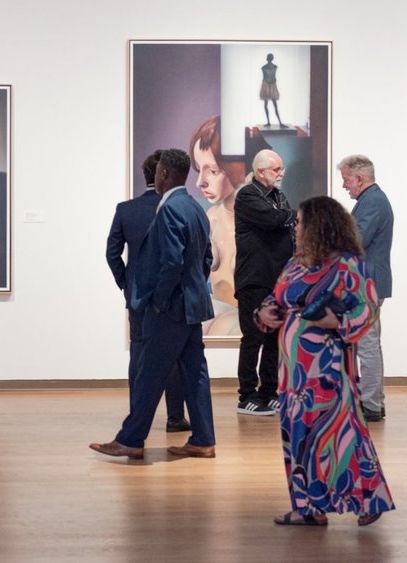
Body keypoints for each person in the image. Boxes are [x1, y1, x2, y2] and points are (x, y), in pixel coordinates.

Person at [256, 195, 394, 527]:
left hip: (328, 372)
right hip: (293, 374)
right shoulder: (296, 263)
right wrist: (264, 312)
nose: (296, 228)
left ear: (318, 226)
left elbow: (367, 309)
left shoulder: (347, 265)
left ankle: (367, 499)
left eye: (300, 222)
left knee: (343, 437)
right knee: (298, 438)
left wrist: (338, 321)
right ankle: (307, 509)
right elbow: (277, 297)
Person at [90, 149, 217, 460]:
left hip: (170, 308)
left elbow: (171, 262)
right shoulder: (195, 207)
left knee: (149, 372)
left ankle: (130, 439)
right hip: (191, 306)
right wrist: (192, 290)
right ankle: (203, 440)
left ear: (164, 174)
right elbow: (206, 258)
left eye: (158, 171)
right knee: (195, 373)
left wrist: (159, 300)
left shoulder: (170, 208)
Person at [106, 150, 190, 433]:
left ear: (147, 175)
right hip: (173, 294)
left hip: (138, 296)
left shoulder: (126, 209)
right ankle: (175, 417)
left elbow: (112, 253)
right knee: (173, 357)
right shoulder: (179, 207)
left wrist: (126, 282)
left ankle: (137, 414)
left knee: (139, 354)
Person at [233, 149, 295, 416]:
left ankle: (269, 392)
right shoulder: (247, 195)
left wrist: (286, 216)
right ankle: (247, 395)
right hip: (254, 280)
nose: (281, 174)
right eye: (276, 169)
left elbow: (283, 220)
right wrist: (290, 215)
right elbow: (272, 219)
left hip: (277, 280)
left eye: (281, 169)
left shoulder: (278, 196)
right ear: (260, 171)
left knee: (274, 339)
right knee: (253, 338)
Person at [339, 155, 394, 422]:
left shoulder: (372, 202)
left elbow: (355, 241)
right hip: (369, 282)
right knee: (370, 344)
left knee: (367, 345)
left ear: (359, 179)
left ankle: (371, 404)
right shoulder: (372, 200)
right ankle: (374, 401)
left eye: (346, 180)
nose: (344, 186)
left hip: (365, 284)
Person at [189, 116, 244, 336]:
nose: (200, 182)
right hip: (218, 325)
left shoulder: (265, 223)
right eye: (199, 169)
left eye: (212, 171)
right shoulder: (209, 220)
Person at [260, 53, 285, 128]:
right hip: (266, 85)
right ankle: (271, 122)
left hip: (271, 85)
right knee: (268, 105)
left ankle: (279, 122)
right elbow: (265, 77)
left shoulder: (273, 67)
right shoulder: (264, 67)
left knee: (273, 105)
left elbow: (265, 77)